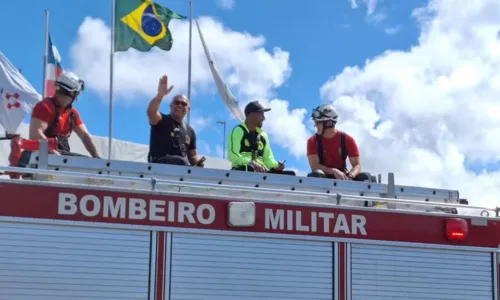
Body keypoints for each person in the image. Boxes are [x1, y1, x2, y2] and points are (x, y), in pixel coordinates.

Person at [29, 71, 100, 158]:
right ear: (72, 93)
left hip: (59, 158)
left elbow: (85, 136)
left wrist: (98, 159)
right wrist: (54, 153)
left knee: (86, 162)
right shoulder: (45, 107)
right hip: (41, 158)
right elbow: (35, 134)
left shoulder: (72, 114)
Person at [146, 75, 205, 167]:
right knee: (182, 162)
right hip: (158, 165)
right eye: (177, 102)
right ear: (171, 106)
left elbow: (193, 155)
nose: (180, 105)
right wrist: (160, 95)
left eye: (184, 104)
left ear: (188, 109)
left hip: (179, 170)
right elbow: (151, 112)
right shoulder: (162, 120)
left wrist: (198, 162)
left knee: (184, 163)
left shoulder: (190, 131)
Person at [306, 104, 374, 181]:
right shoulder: (312, 141)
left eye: (318, 122)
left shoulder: (347, 140)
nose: (316, 125)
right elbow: (315, 166)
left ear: (328, 123)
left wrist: (350, 176)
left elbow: (357, 166)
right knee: (316, 174)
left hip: (343, 178)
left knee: (365, 177)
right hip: (323, 179)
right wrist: (334, 171)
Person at [228, 100, 295, 175]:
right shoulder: (238, 131)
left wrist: (277, 165)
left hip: (261, 174)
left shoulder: (263, 135)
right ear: (250, 114)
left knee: (290, 175)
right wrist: (251, 163)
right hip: (243, 171)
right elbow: (232, 155)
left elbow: (268, 159)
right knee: (250, 169)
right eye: (261, 114)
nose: (263, 118)